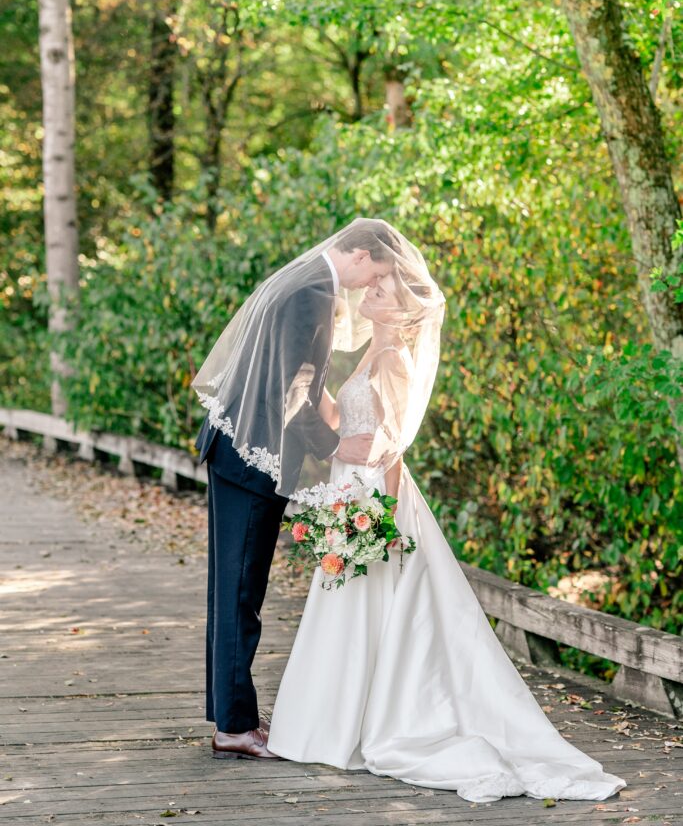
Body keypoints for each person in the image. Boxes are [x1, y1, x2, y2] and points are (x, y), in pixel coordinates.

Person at [266, 252, 627, 804]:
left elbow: (393, 451)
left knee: (371, 602)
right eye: (375, 285)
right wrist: (307, 385)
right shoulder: (371, 351)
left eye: (382, 290)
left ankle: (354, 725)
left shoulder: (395, 361)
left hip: (372, 494)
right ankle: (330, 724)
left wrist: (380, 519)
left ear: (401, 309)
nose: (371, 294)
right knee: (346, 603)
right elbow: (344, 422)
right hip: (349, 485)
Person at [191, 218, 404, 760]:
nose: (365, 289)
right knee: (241, 591)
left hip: (236, 447)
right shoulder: (312, 289)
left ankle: (230, 715)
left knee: (231, 590)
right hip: (250, 457)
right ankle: (235, 728)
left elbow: (296, 377)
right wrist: (335, 447)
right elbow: (294, 387)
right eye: (372, 274)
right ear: (358, 255)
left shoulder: (303, 278)